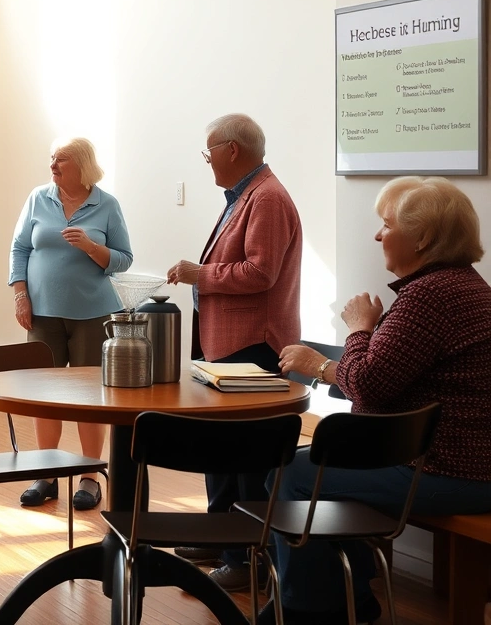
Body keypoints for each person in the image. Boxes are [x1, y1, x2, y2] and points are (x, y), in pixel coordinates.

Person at [268, 177, 491, 624]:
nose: (377, 235)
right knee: (317, 467)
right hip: (466, 465)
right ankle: (349, 595)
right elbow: (383, 380)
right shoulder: (466, 286)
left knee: (291, 474)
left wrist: (356, 330)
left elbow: (368, 385)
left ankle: (307, 611)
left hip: (451, 472)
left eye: (387, 225)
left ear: (422, 238)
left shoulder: (429, 297)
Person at [166, 113, 302, 592]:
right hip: (229, 344)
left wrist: (199, 275)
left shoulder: (267, 198)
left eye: (209, 152)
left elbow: (261, 273)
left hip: (253, 347)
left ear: (232, 150)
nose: (207, 161)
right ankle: (218, 537)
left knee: (245, 459)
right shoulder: (247, 195)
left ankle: (245, 560)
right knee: (220, 452)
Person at [9, 138, 132, 510]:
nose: (53, 166)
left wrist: (91, 247)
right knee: (44, 396)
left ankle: (90, 476)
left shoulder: (107, 205)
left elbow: (124, 258)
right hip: (42, 315)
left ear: (82, 165)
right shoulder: (38, 198)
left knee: (89, 399)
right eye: (52, 159)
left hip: (93, 315)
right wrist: (20, 295)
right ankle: (46, 474)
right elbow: (20, 248)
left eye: (60, 160)